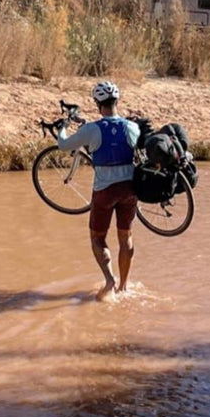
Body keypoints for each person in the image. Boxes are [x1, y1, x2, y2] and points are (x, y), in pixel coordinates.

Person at [54, 80, 140, 299]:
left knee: (97, 239)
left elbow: (64, 145)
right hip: (130, 190)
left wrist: (61, 128)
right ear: (117, 101)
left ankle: (109, 281)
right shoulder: (132, 127)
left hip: (105, 192)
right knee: (125, 236)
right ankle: (124, 286)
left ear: (96, 103)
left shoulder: (92, 129)